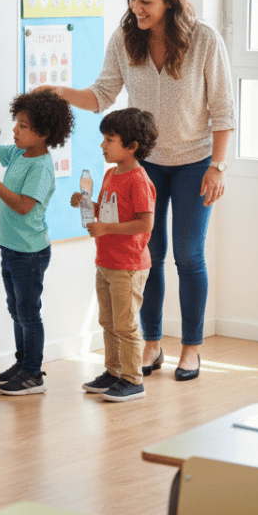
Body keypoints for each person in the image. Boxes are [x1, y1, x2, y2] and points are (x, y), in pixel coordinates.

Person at [40, 0, 235, 380]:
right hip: (145, 164)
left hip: (194, 162)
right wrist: (58, 92)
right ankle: (151, 344)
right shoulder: (126, 38)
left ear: (171, 0)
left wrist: (217, 166)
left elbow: (223, 109)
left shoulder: (204, 39)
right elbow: (101, 95)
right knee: (148, 253)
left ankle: (192, 347)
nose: (137, 9)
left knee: (188, 253)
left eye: (146, 1)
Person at [0, 89, 74, 395]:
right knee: (16, 309)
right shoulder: (19, 153)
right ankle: (23, 363)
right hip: (12, 248)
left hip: (30, 253)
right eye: (18, 123)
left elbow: (24, 205)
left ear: (43, 133)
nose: (15, 130)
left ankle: (32, 374)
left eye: (22, 126)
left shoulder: (41, 167)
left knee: (27, 312)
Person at [71, 108, 157, 402]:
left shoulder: (138, 179)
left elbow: (145, 223)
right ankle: (114, 371)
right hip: (106, 261)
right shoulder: (110, 174)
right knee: (108, 322)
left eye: (109, 139)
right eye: (103, 139)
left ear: (131, 146)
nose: (103, 145)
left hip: (128, 265)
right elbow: (111, 212)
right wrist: (89, 205)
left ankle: (133, 379)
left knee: (126, 324)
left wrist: (105, 226)